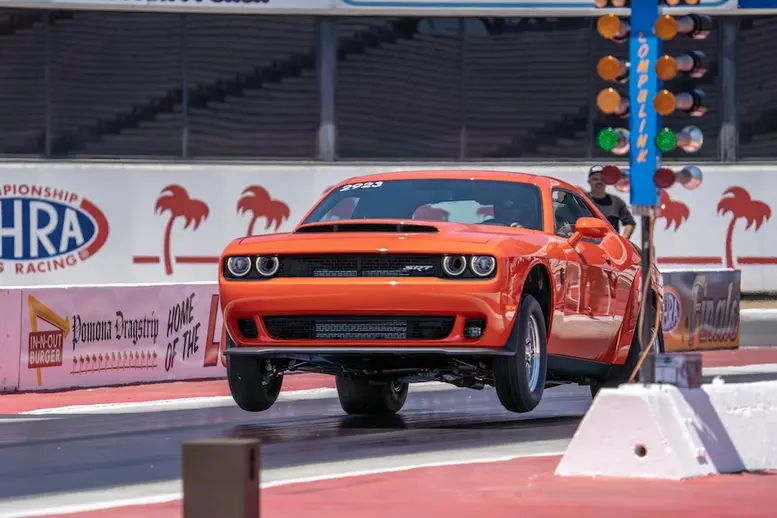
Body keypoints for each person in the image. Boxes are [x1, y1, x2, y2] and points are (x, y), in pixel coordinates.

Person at [586, 165, 636, 240]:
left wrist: (624, 240)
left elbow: (630, 223)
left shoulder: (616, 202)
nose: (599, 182)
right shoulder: (582, 200)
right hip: (587, 243)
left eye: (602, 179)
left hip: (610, 245)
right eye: (595, 179)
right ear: (589, 181)